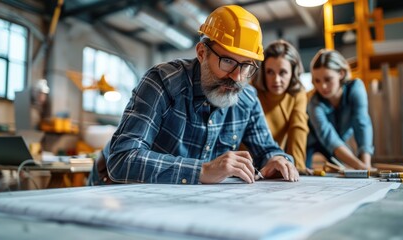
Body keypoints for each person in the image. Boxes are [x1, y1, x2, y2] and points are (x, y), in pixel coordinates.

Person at [104, 5, 299, 185]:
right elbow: (122, 159)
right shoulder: (164, 82)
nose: (237, 77)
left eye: (247, 65)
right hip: (113, 193)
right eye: (228, 61)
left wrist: (278, 160)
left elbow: (267, 150)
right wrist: (202, 170)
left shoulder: (247, 98)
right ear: (201, 52)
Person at [306, 49, 374, 170]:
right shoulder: (314, 103)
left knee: (345, 169)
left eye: (328, 79)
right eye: (317, 81)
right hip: (311, 142)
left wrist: (366, 164)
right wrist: (360, 166)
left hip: (338, 142)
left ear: (341, 73)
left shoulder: (356, 88)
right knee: (303, 171)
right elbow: (329, 137)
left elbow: (362, 124)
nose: (323, 86)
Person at [251, 40, 310, 174]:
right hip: (248, 164)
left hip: (275, 160)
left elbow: (298, 128)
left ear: (293, 72)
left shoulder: (298, 94)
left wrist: (298, 166)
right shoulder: (251, 91)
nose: (276, 80)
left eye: (283, 72)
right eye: (270, 72)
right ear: (263, 72)